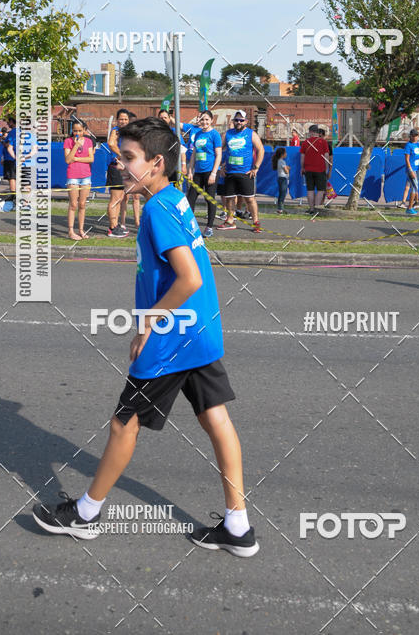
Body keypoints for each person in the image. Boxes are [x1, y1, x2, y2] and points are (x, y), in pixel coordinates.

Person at [32, 117, 259, 557]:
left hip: (172, 339)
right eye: (120, 156)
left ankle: (85, 514)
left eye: (129, 157)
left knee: (124, 422)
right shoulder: (174, 198)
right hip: (200, 330)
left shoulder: (156, 210)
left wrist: (149, 323)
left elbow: (189, 277)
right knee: (215, 418)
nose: (120, 165)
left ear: (156, 163)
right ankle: (238, 526)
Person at [218, 110, 264, 233]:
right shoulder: (227, 134)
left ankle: (256, 222)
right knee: (229, 198)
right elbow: (218, 150)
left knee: (249, 199)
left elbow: (261, 149)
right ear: (233, 121)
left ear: (246, 122)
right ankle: (230, 221)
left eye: (241, 120)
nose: (239, 122)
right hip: (230, 172)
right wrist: (221, 166)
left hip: (245, 173)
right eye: (236, 120)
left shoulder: (251, 134)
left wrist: (256, 167)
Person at [186, 110, 222, 238]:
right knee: (190, 198)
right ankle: (190, 226)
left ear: (211, 120)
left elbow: (219, 155)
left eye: (207, 119)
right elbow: (194, 155)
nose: (204, 122)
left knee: (209, 198)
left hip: (210, 172)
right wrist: (190, 171)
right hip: (198, 172)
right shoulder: (198, 134)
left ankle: (209, 227)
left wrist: (213, 173)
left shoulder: (215, 134)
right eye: (202, 119)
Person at [63, 119, 94, 240]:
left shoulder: (89, 141)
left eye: (80, 131)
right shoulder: (68, 141)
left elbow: (91, 159)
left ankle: (81, 230)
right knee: (73, 204)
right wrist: (76, 146)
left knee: (82, 204)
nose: (77, 133)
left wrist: (76, 159)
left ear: (84, 130)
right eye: (75, 131)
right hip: (73, 176)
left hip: (86, 176)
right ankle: (71, 231)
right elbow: (67, 160)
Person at [106, 109, 132, 238]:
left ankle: (116, 225)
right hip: (116, 167)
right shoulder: (115, 130)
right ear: (117, 120)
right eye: (121, 119)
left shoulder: (127, 133)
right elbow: (111, 143)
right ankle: (112, 228)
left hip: (124, 168)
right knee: (115, 199)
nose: (123, 121)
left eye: (125, 119)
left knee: (120, 198)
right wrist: (122, 155)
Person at [300, 124, 330, 213]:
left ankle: (311, 208)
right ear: (317, 132)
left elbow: (302, 157)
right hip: (320, 169)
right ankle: (317, 209)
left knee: (310, 190)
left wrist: (302, 168)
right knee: (320, 190)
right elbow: (326, 156)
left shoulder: (305, 142)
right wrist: (326, 168)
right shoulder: (323, 142)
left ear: (311, 132)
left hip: (308, 169)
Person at [2, 117, 17, 195]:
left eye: (8, 122)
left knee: (11, 177)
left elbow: (8, 145)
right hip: (14, 158)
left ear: (12, 122)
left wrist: (2, 142)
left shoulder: (12, 132)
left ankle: (13, 194)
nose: (7, 124)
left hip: (10, 158)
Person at [272, 147, 290, 213]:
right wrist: (288, 169)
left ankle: (280, 208)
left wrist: (286, 167)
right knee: (283, 194)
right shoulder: (282, 161)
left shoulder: (279, 161)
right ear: (282, 154)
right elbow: (286, 171)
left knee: (281, 194)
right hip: (283, 179)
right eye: (285, 153)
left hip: (280, 178)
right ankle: (280, 209)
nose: (286, 154)